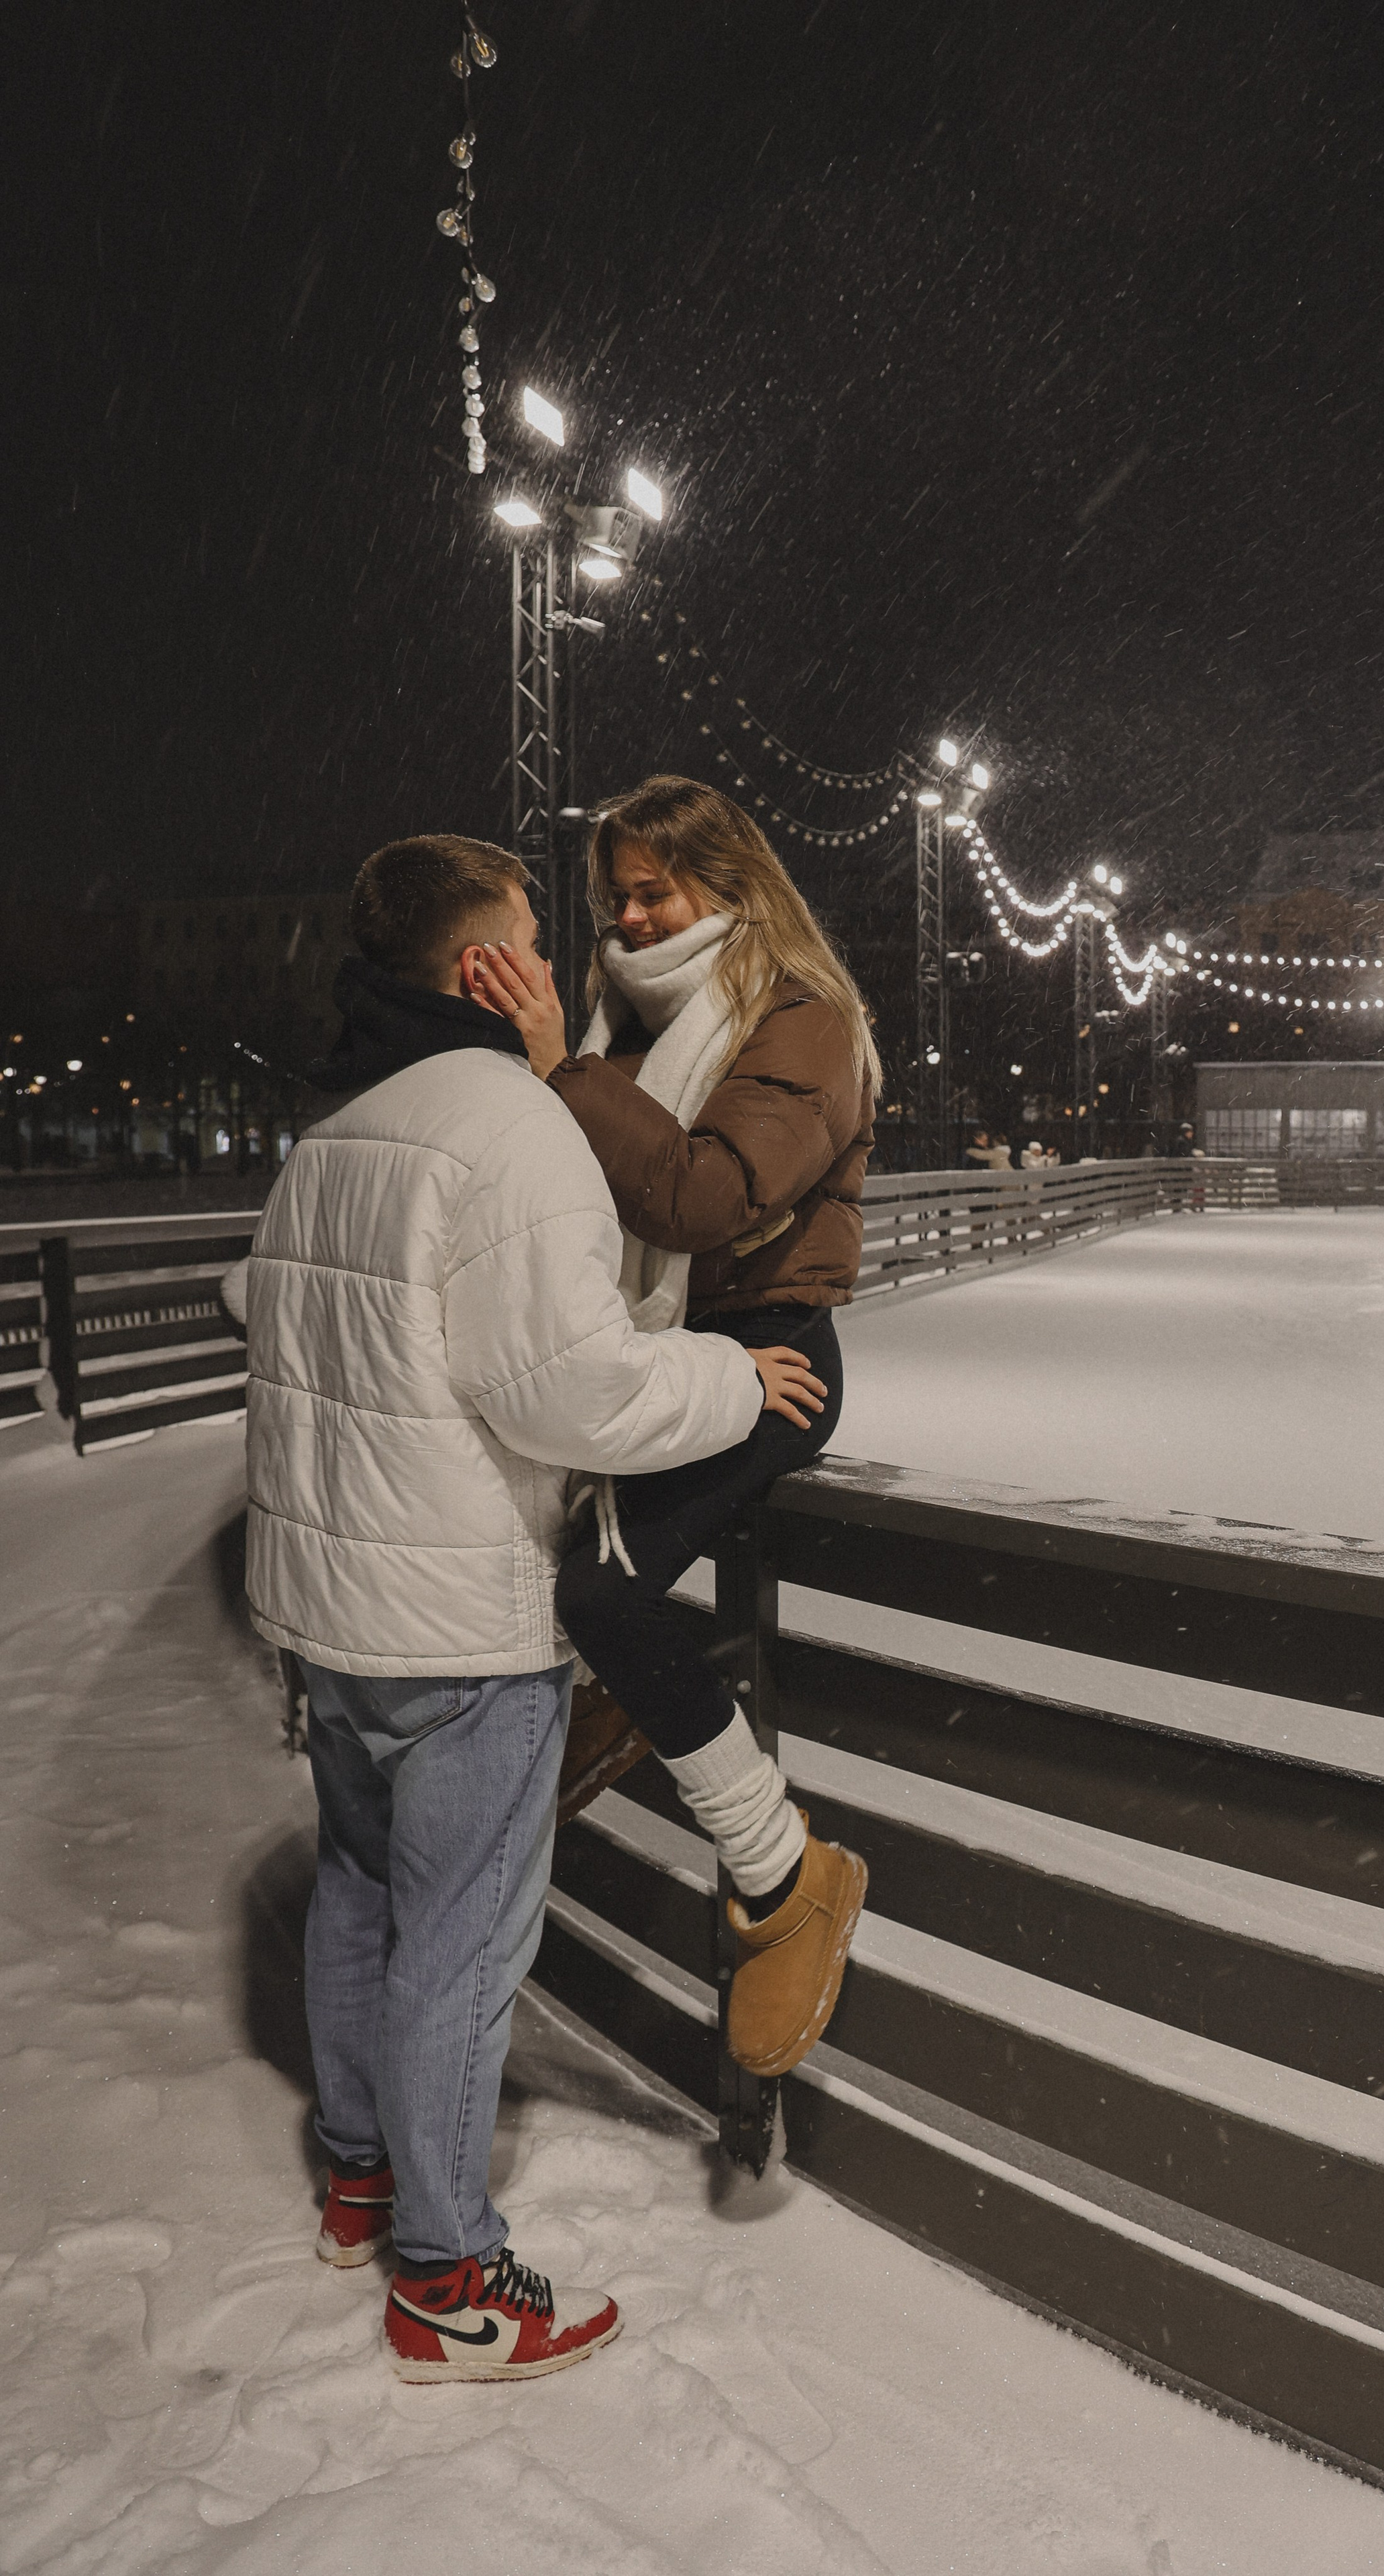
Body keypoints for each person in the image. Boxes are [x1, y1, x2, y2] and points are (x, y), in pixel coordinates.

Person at [245, 835, 827, 2383]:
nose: (562, 964)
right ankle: (445, 2278)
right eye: (531, 939)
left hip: (330, 1612)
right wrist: (728, 1376)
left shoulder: (339, 1135)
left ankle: (362, 2171)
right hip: (456, 1627)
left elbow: (278, 1326)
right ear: (484, 969)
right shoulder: (507, 1130)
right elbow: (567, 1392)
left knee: (361, 1899)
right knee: (459, 1943)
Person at [472, 777, 873, 2080]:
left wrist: (559, 1071)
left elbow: (702, 1196)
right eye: (616, 896)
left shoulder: (802, 1021)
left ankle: (785, 1877)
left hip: (767, 1360)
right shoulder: (620, 1029)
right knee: (544, 1569)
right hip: (659, 1355)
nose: (632, 916)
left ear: (733, 884)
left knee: (599, 1588)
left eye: (657, 888)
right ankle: (619, 1699)